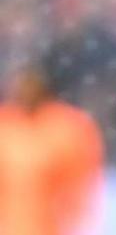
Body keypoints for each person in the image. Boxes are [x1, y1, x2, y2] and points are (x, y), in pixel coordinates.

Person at [0, 64, 104, 235]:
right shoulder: (6, 122)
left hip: (52, 224)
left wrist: (73, 217)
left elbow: (80, 180)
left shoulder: (67, 126)